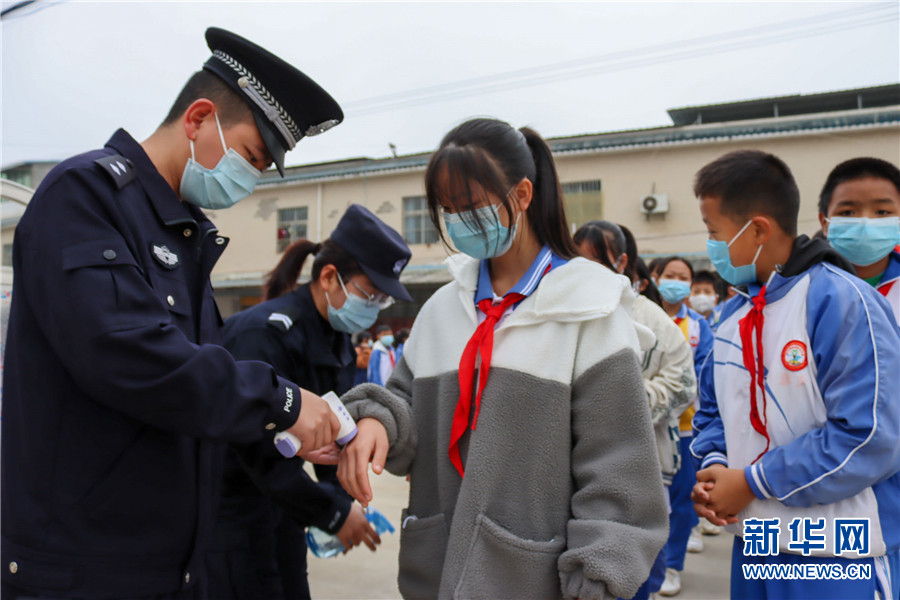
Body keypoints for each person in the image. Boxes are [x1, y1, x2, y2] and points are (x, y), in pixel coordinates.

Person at [1, 28, 345, 600]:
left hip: (163, 567)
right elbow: (129, 355)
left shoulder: (182, 237)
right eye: (250, 157)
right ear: (199, 118)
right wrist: (282, 402)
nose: (250, 180)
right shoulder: (84, 197)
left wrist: (286, 431)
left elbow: (195, 393)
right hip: (80, 567)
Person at [337, 118, 667, 600]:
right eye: (446, 210)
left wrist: (596, 577)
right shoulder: (441, 311)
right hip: (437, 572)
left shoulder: (589, 310)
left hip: (536, 580)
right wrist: (377, 423)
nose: (456, 221)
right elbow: (404, 403)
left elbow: (618, 470)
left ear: (523, 194)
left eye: (470, 206)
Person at [689, 150, 900, 599]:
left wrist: (749, 482)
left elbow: (869, 436)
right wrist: (713, 471)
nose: (712, 246)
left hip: (841, 547)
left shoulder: (842, 301)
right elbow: (712, 414)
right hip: (758, 541)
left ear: (758, 230)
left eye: (714, 233)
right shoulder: (730, 316)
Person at [210, 204, 413, 600]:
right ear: (328, 277)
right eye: (369, 294)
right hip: (230, 512)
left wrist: (343, 502)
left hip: (281, 509)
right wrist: (332, 514)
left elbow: (328, 435)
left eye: (380, 301)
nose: (372, 308)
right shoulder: (264, 335)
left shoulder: (333, 338)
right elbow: (254, 451)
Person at [575, 221, 696, 600]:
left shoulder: (654, 321)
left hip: (644, 466)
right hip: (577, 467)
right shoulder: (566, 314)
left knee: (637, 566)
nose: (584, 272)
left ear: (622, 261)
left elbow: (683, 386)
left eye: (595, 261)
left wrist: (626, 399)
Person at [649, 255, 714, 596]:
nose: (676, 281)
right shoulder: (645, 320)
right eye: (669, 275)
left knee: (683, 500)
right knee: (654, 502)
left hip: (687, 432)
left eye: (682, 277)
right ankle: (653, 562)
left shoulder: (699, 327)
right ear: (655, 277)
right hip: (651, 428)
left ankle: (673, 566)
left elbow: (705, 378)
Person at [818, 157, 900, 323]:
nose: (865, 222)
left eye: (882, 212)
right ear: (825, 223)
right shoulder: (807, 287)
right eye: (847, 212)